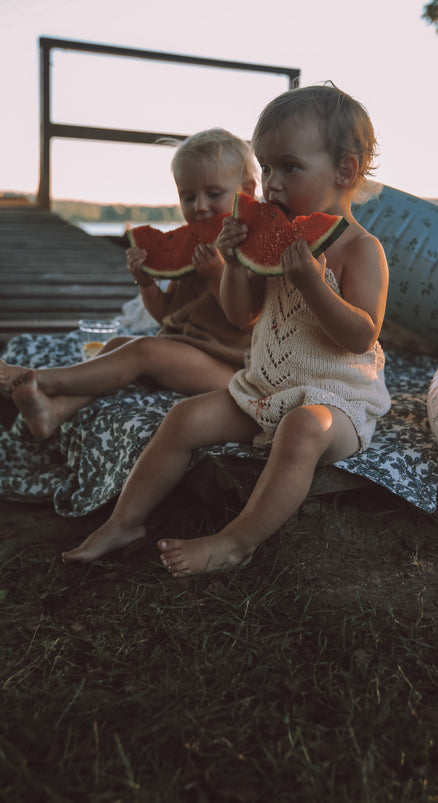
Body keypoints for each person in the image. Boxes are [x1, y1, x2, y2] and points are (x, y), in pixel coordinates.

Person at [59, 83, 391, 573]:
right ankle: (123, 521)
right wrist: (236, 264)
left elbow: (362, 335)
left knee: (302, 429)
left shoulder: (362, 249)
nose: (272, 183)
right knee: (183, 419)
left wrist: (313, 283)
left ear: (344, 170)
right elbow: (244, 315)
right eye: (268, 167)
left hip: (336, 402)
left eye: (290, 166)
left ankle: (236, 542)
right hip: (262, 388)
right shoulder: (269, 236)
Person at [0, 128, 257, 440]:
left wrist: (218, 275)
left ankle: (43, 380)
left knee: (143, 349)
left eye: (214, 194)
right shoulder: (192, 246)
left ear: (248, 190)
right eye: (188, 196)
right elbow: (165, 316)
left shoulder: (248, 249)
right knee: (118, 346)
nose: (200, 206)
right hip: (181, 352)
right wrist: (146, 281)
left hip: (231, 371)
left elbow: (248, 322)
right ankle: (56, 411)